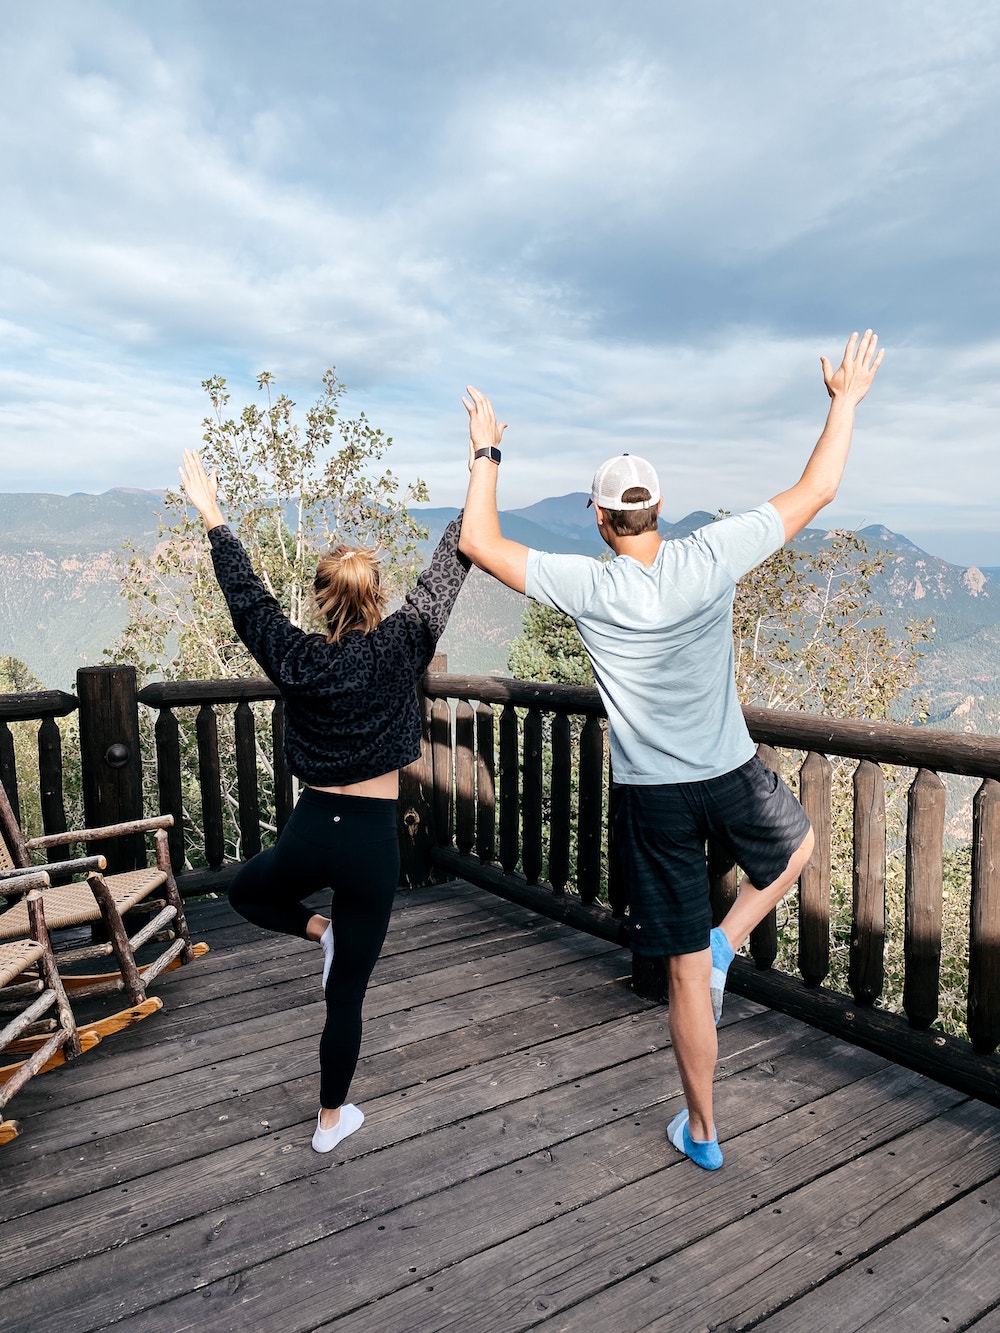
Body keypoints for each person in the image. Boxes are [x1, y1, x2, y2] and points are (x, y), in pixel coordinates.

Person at [457, 330, 884, 1170]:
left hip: (652, 793)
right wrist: (845, 400)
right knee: (795, 847)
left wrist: (487, 448)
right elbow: (821, 486)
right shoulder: (710, 554)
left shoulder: (589, 582)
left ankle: (705, 1127)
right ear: (660, 508)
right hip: (727, 771)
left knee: (688, 974)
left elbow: (477, 540)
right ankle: (732, 940)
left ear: (600, 518)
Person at [179, 451, 470, 1155]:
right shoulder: (404, 644)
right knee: (346, 998)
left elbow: (248, 601)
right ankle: (330, 1119)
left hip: (313, 827)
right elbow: (449, 569)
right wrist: (479, 474)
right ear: (377, 598)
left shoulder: (297, 656)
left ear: (320, 600)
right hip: (373, 840)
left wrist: (214, 515)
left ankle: (319, 932)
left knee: (247, 893)